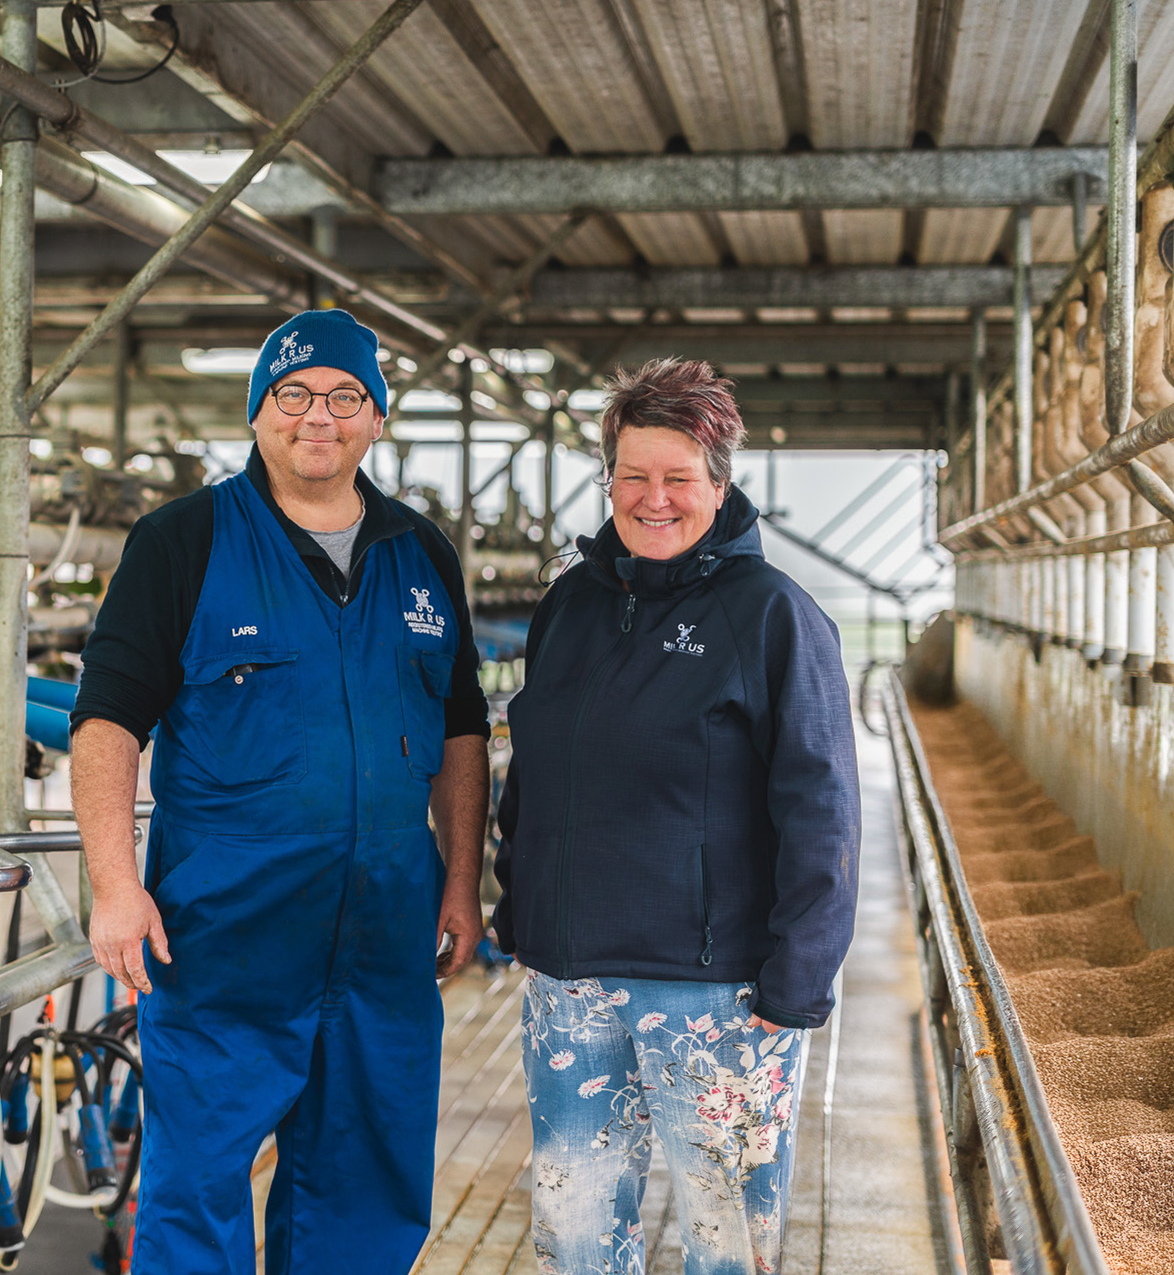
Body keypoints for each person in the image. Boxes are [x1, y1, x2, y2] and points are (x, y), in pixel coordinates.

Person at [70, 308, 491, 1274]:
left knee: (366, 1190)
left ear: (376, 418)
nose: (318, 417)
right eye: (293, 394)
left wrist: (463, 880)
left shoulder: (421, 552)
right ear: (257, 412)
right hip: (226, 941)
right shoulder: (182, 542)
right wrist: (114, 884)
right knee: (195, 1192)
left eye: (345, 396)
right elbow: (106, 719)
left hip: (383, 941)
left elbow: (460, 726)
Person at [492, 358, 860, 1275]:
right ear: (607, 479)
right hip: (569, 987)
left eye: (677, 478)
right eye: (632, 476)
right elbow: (533, 762)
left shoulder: (772, 616)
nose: (653, 499)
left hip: (715, 995)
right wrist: (520, 908)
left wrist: (798, 977)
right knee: (574, 1237)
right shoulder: (569, 605)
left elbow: (822, 806)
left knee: (726, 1244)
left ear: (719, 484)